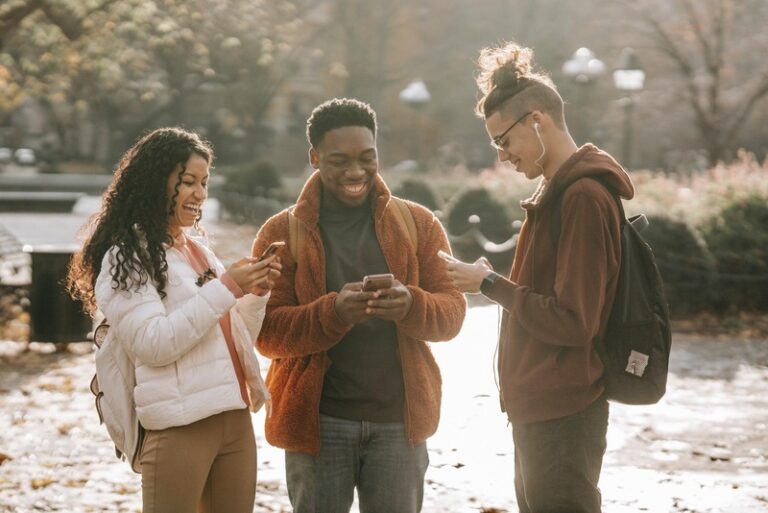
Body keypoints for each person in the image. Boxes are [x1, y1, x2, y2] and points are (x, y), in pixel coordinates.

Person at [445, 43, 635, 513]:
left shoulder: (583, 196)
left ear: (537, 120)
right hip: (544, 407)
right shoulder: (558, 191)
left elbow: (573, 321)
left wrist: (488, 285)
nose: (502, 155)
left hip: (564, 410)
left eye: (503, 141)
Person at [252, 98, 466, 513]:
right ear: (314, 158)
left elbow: (453, 313)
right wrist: (332, 314)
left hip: (400, 424)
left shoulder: (417, 223)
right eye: (339, 160)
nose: (356, 172)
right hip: (319, 425)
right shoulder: (281, 232)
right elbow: (266, 334)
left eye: (367, 158)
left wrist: (411, 305)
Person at [67, 127, 281, 513]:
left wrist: (255, 294)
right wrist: (227, 287)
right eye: (187, 182)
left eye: (204, 182)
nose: (200, 193)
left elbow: (235, 338)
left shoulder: (196, 250)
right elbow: (154, 344)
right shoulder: (127, 258)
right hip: (180, 427)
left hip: (233, 419)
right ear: (155, 183)